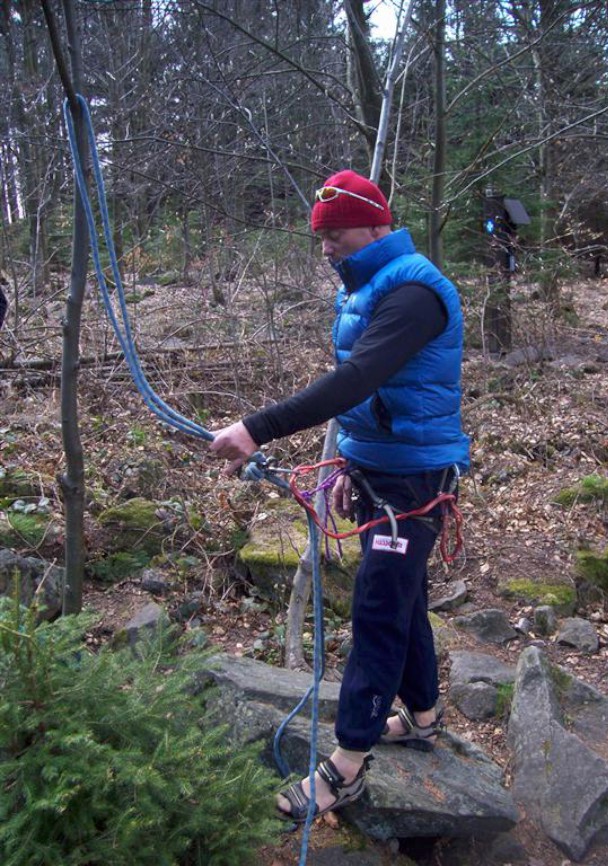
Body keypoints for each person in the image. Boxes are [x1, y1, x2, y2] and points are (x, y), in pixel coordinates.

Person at [210, 169, 470, 821]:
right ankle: (425, 714)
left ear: (377, 224)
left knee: (379, 606)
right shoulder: (365, 286)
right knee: (400, 595)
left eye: (338, 234)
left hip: (415, 479)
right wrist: (353, 462)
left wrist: (256, 427)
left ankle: (347, 767)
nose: (327, 248)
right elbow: (375, 395)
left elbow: (357, 379)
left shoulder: (412, 291)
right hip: (383, 470)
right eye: (320, 238)